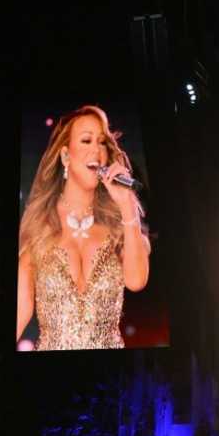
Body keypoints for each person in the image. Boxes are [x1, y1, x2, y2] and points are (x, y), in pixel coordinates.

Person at [17, 106, 150, 350]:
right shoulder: (39, 226)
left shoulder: (119, 226)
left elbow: (137, 281)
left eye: (101, 143)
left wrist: (127, 206)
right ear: (66, 156)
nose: (97, 151)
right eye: (86, 140)